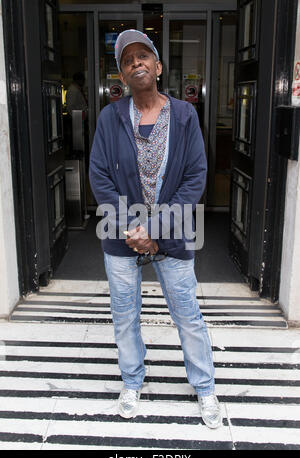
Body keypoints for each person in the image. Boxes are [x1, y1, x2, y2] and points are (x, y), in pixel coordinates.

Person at [89, 29, 222, 429]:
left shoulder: (184, 116)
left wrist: (157, 228)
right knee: (125, 316)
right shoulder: (110, 117)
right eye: (127, 60)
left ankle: (205, 387)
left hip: (173, 235)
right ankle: (132, 379)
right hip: (122, 235)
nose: (136, 63)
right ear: (122, 75)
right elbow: (99, 177)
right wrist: (133, 226)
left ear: (158, 67)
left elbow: (195, 178)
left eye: (143, 56)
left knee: (187, 314)